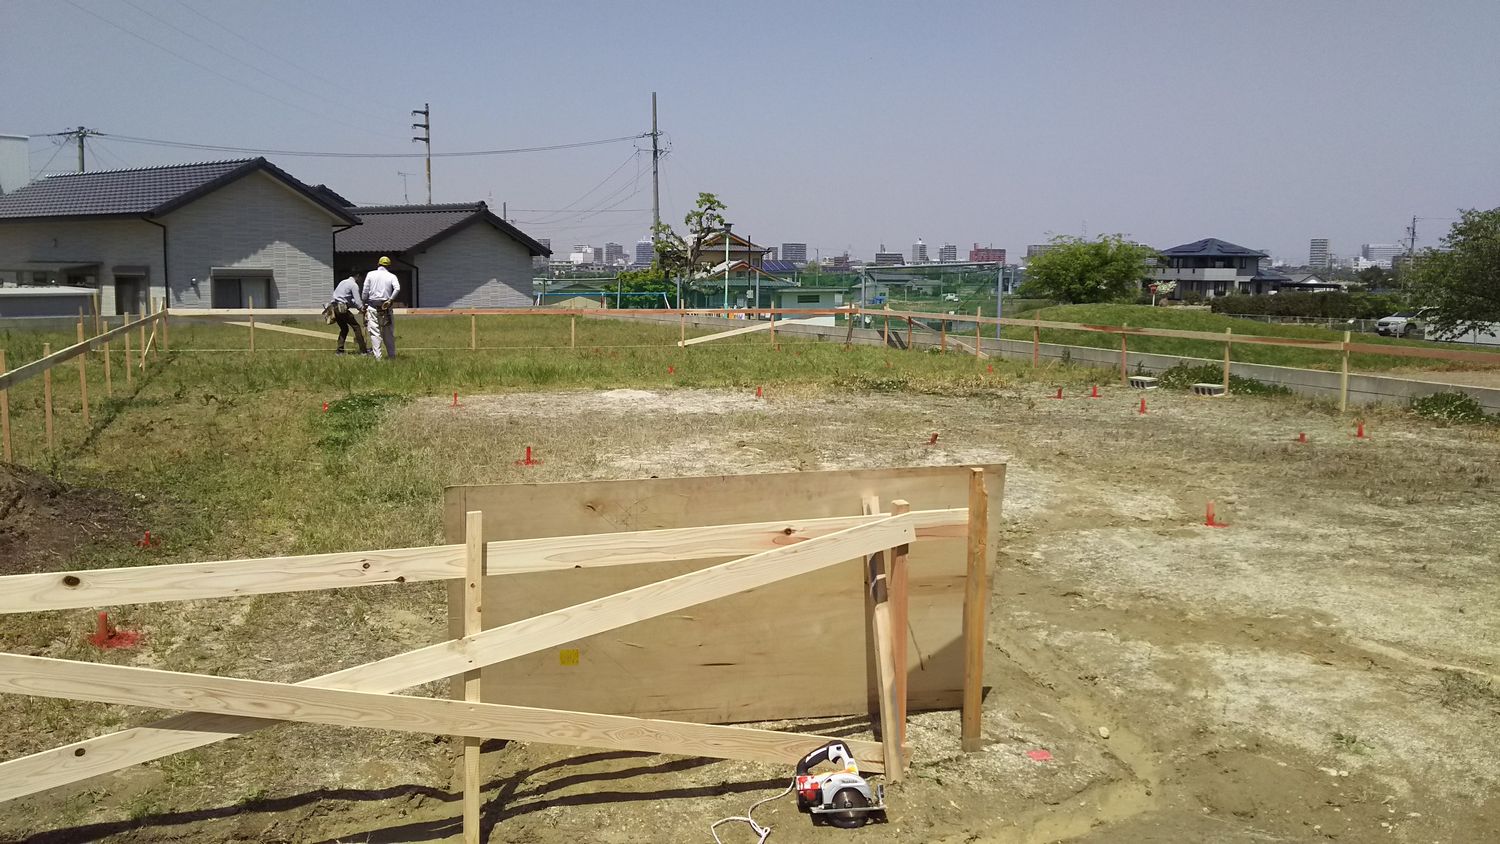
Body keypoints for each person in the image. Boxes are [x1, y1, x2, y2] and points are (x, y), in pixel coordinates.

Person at [361, 256, 401, 360]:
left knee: (375, 333)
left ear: (378, 264)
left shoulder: (370, 274)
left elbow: (365, 291)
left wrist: (364, 303)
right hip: (386, 308)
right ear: (389, 266)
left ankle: (378, 357)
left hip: (372, 307)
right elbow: (397, 288)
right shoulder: (392, 276)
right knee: (388, 333)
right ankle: (392, 357)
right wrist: (390, 300)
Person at [327, 274, 368, 355]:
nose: (362, 280)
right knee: (356, 327)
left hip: (334, 308)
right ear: (358, 276)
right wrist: (361, 308)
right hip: (342, 308)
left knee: (344, 328)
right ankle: (363, 351)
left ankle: (339, 351)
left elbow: (349, 299)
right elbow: (357, 301)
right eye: (361, 277)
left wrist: (358, 307)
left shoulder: (343, 282)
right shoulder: (354, 285)